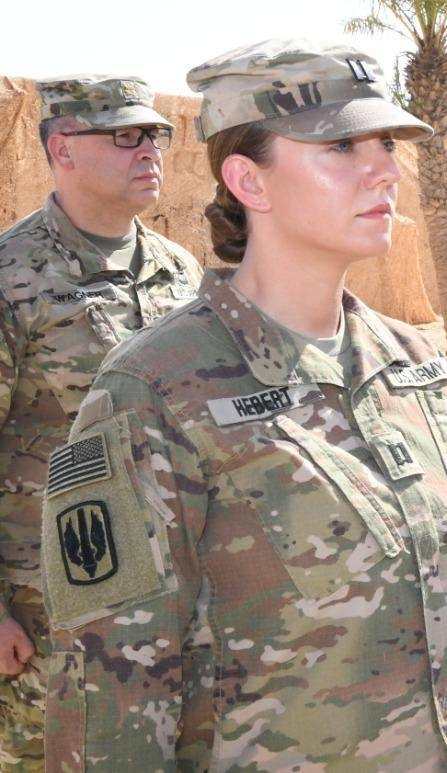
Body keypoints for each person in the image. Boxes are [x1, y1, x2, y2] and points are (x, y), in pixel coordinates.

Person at [39, 39, 447, 770]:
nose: (383, 168)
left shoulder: (414, 365)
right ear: (249, 180)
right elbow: (109, 700)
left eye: (386, 142)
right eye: (342, 145)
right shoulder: (153, 392)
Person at [0, 75, 202, 768]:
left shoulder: (181, 272)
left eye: (156, 134)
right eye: (125, 135)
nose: (150, 149)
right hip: (50, 611)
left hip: (173, 602)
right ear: (63, 147)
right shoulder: (11, 275)